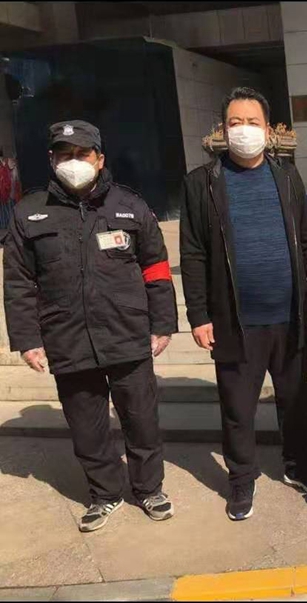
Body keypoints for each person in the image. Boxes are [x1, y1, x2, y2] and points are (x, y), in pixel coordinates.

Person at [2, 120, 178, 532]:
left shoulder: (130, 206)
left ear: (99, 159)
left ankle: (149, 489)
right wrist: (27, 339)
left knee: (141, 420)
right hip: (67, 338)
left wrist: (163, 324)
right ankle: (105, 494)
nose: (74, 162)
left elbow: (156, 268)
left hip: (127, 334)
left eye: (82, 154)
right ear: (51, 159)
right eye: (65, 154)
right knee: (87, 428)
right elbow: (18, 282)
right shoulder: (30, 212)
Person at [179, 87, 307, 521]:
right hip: (235, 321)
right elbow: (193, 253)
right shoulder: (201, 183)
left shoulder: (287, 177)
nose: (244, 130)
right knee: (238, 409)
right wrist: (199, 315)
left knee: (295, 400)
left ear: (268, 129)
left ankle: (298, 464)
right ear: (223, 130)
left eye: (252, 122)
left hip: (290, 316)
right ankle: (242, 478)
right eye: (235, 123)